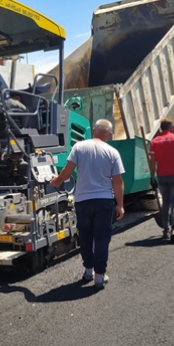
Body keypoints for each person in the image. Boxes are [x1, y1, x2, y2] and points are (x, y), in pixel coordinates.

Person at [50, 119, 125, 289]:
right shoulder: (112, 152)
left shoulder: (79, 147)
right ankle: (99, 276)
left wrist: (56, 181)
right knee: (102, 238)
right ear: (109, 135)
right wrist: (120, 205)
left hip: (83, 201)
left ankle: (88, 271)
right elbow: (117, 182)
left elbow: (67, 173)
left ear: (93, 130)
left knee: (85, 236)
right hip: (104, 201)